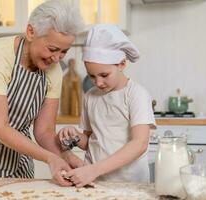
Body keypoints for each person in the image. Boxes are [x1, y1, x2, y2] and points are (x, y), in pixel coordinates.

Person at [0, 0, 84, 186]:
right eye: (52, 49)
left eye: (64, 52)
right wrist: (50, 158)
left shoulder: (54, 71)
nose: (57, 58)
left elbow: (44, 131)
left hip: (15, 153)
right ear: (30, 32)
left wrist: (66, 156)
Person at [58, 24, 156, 187]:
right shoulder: (90, 96)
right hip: (94, 182)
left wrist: (94, 170)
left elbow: (139, 144)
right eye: (92, 76)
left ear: (122, 64)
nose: (98, 82)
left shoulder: (136, 94)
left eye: (104, 75)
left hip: (130, 184)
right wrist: (74, 137)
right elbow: (91, 141)